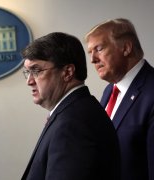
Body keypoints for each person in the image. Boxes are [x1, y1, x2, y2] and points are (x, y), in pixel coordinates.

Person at [21, 32, 120, 180]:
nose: (29, 81)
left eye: (36, 71)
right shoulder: (72, 112)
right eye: (27, 72)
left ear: (67, 72)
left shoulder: (73, 124)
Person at [85, 18, 154, 180]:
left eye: (99, 49)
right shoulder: (110, 90)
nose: (92, 59)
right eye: (90, 52)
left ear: (126, 48)